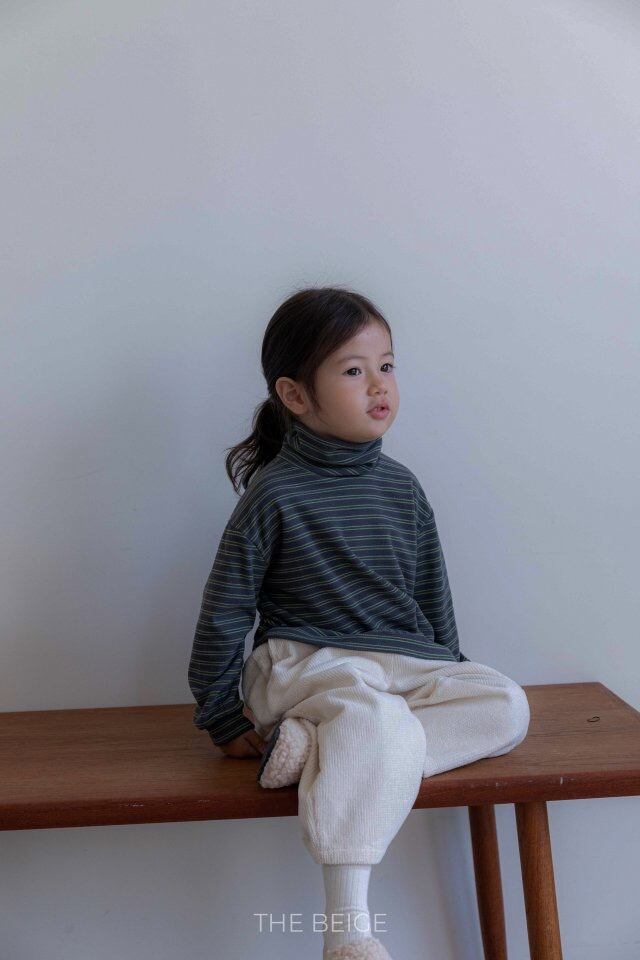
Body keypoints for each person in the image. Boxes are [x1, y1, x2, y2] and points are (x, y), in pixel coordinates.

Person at [187, 286, 530, 960]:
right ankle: (348, 932)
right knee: (372, 717)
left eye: (387, 366)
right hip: (308, 664)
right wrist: (220, 713)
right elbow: (225, 606)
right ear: (295, 395)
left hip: (399, 667)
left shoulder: (402, 487)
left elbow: (431, 590)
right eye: (353, 370)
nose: (379, 385)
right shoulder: (275, 493)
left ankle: (317, 750)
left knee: (507, 705)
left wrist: (448, 668)